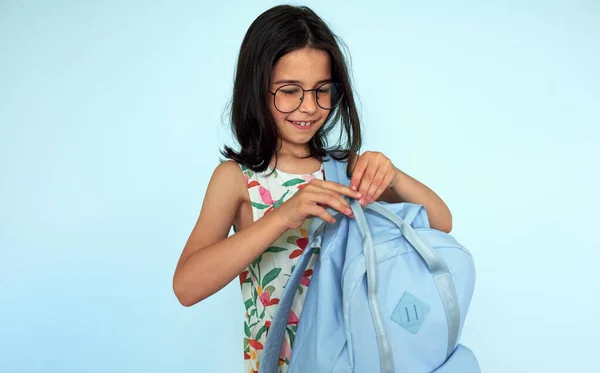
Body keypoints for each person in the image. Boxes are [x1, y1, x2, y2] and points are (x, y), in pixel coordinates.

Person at [172, 4, 452, 373]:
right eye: (289, 91)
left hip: (352, 361)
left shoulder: (345, 168)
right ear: (258, 88)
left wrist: (394, 175)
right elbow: (187, 287)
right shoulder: (236, 178)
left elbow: (440, 223)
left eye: (322, 90)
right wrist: (284, 215)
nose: (308, 107)